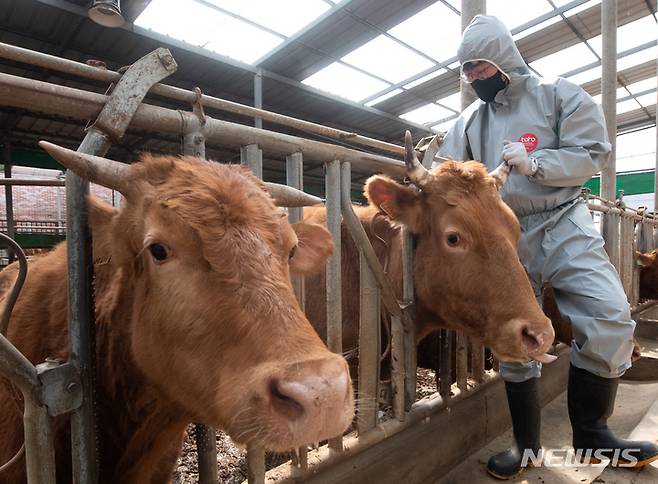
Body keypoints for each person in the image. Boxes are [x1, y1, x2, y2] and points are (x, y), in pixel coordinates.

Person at [438, 15, 658, 480]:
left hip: (561, 219)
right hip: (501, 234)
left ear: (501, 59)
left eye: (479, 66)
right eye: (467, 71)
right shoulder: (469, 121)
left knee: (610, 315)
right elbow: (445, 170)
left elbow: (592, 152)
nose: (474, 77)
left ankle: (592, 434)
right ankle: (526, 446)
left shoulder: (558, 94)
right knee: (516, 334)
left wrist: (536, 162)